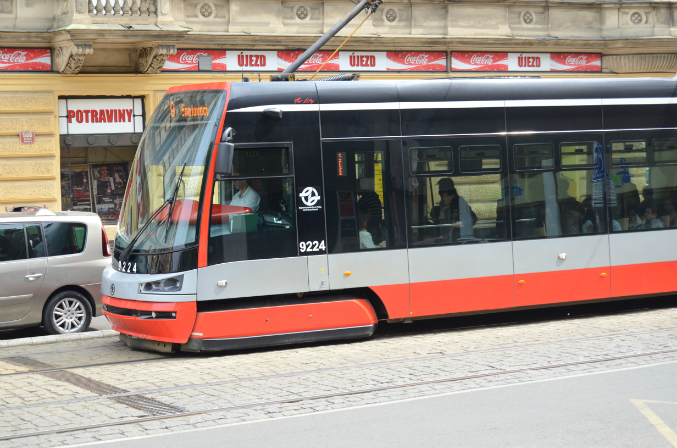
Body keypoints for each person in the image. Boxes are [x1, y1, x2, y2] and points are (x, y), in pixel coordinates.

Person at [434, 177, 477, 242]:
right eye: (442, 196)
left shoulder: (460, 202)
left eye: (446, 196)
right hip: (447, 239)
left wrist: (461, 223)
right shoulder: (442, 204)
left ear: (452, 195)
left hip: (461, 239)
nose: (444, 199)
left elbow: (473, 219)